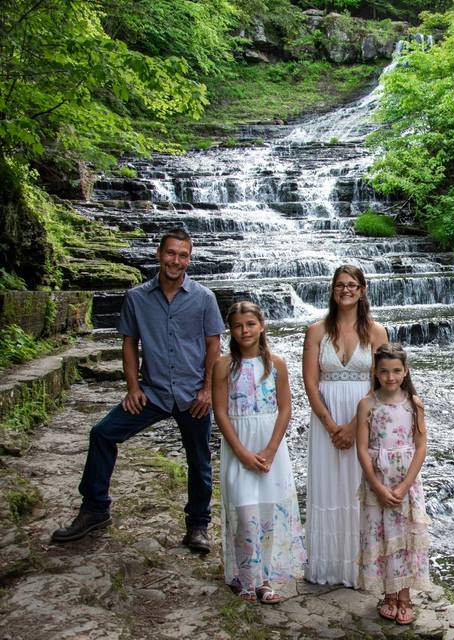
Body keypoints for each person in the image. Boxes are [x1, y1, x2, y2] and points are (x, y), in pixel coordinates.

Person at [51, 228, 224, 551]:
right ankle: (95, 509)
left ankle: (198, 526)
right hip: (154, 392)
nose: (176, 260)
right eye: (171, 253)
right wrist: (132, 388)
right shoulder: (137, 298)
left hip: (191, 396)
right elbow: (129, 343)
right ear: (159, 255)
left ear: (190, 258)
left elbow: (214, 346)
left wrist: (207, 390)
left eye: (183, 255)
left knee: (199, 460)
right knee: (102, 434)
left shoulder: (204, 298)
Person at [212, 301, 306, 604]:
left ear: (262, 325)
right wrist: (241, 452)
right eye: (238, 326)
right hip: (239, 446)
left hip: (271, 447)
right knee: (244, 512)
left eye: (250, 324)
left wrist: (270, 448)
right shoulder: (224, 365)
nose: (245, 331)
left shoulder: (275, 364)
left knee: (267, 513)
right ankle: (245, 577)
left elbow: (285, 407)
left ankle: (264, 580)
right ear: (231, 330)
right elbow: (221, 412)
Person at [302, 265, 388, 586]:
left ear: (362, 289)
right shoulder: (316, 332)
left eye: (352, 284)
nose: (345, 290)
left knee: (359, 490)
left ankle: (359, 568)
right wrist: (330, 424)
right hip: (326, 420)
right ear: (332, 290)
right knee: (329, 488)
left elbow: (381, 381)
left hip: (364, 418)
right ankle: (328, 566)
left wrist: (354, 425)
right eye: (340, 285)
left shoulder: (377, 333)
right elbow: (310, 382)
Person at [356, 343, 431, 625]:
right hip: (378, 480)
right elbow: (362, 448)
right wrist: (376, 484)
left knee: (404, 538)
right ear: (375, 372)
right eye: (384, 371)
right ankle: (388, 594)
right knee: (382, 536)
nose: (390, 377)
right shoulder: (367, 404)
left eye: (396, 371)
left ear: (405, 371)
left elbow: (421, 445)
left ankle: (405, 596)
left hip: (406, 482)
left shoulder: (414, 403)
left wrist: (404, 485)